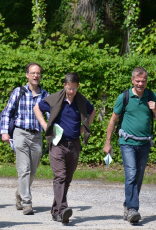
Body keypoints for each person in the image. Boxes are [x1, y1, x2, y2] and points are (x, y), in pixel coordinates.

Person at [103, 67, 156, 224]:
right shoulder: (124, 97)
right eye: (137, 81)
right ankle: (132, 209)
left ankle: (127, 206)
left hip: (144, 143)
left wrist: (155, 109)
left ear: (146, 81)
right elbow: (113, 120)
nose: (140, 83)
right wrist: (107, 142)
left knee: (138, 176)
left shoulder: (151, 96)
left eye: (143, 81)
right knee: (131, 173)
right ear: (132, 80)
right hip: (127, 142)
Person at [33, 72, 96, 224]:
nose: (71, 91)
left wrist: (84, 128)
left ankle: (56, 212)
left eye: (74, 88)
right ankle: (63, 209)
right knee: (60, 177)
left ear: (78, 86)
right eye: (69, 88)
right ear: (64, 85)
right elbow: (37, 108)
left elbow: (92, 111)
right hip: (57, 144)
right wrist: (44, 125)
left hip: (74, 144)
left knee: (67, 179)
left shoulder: (81, 101)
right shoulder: (55, 98)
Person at [0, 62, 49, 215]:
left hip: (37, 135)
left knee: (32, 171)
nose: (36, 76)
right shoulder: (18, 91)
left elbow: (50, 115)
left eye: (38, 73)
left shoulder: (45, 95)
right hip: (20, 133)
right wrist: (4, 132)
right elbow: (7, 112)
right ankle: (27, 203)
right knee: (24, 169)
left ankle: (20, 193)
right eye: (33, 73)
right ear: (27, 75)